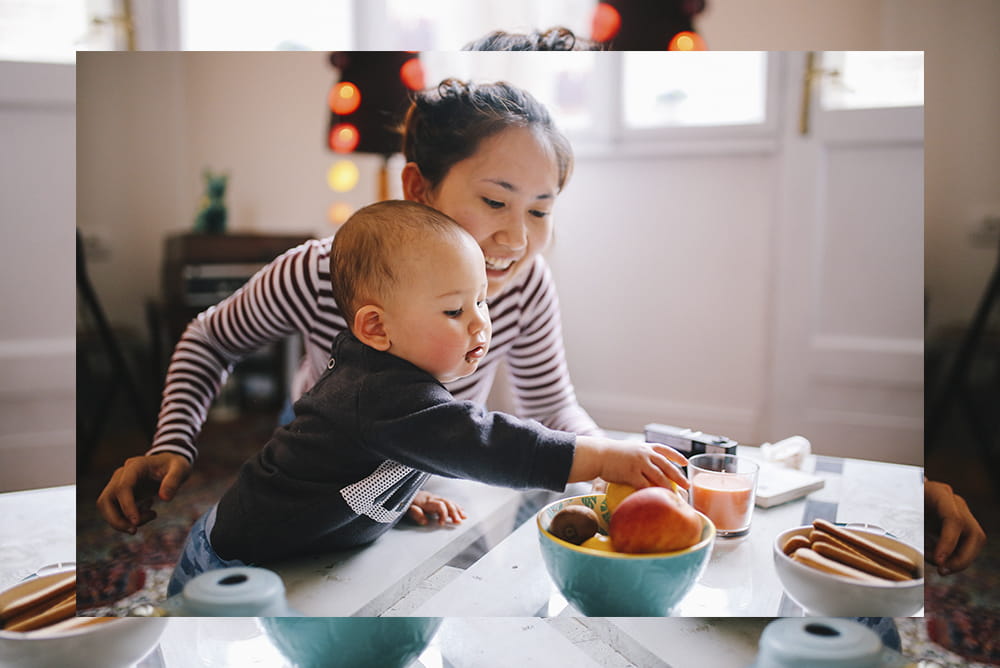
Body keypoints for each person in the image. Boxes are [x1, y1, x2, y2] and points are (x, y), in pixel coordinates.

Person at [97, 78, 608, 535]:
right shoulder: (317, 272)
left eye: (540, 210)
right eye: (495, 202)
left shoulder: (526, 283)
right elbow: (209, 339)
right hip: (326, 463)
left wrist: (613, 462)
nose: (517, 238)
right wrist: (172, 444)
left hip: (425, 465)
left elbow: (551, 406)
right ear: (418, 188)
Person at [167, 200, 690, 594]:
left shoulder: (396, 382)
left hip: (300, 550)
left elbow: (352, 460)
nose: (479, 324)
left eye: (480, 301)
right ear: (376, 327)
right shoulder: (379, 393)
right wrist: (600, 456)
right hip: (232, 566)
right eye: (453, 311)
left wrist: (393, 498)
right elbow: (486, 443)